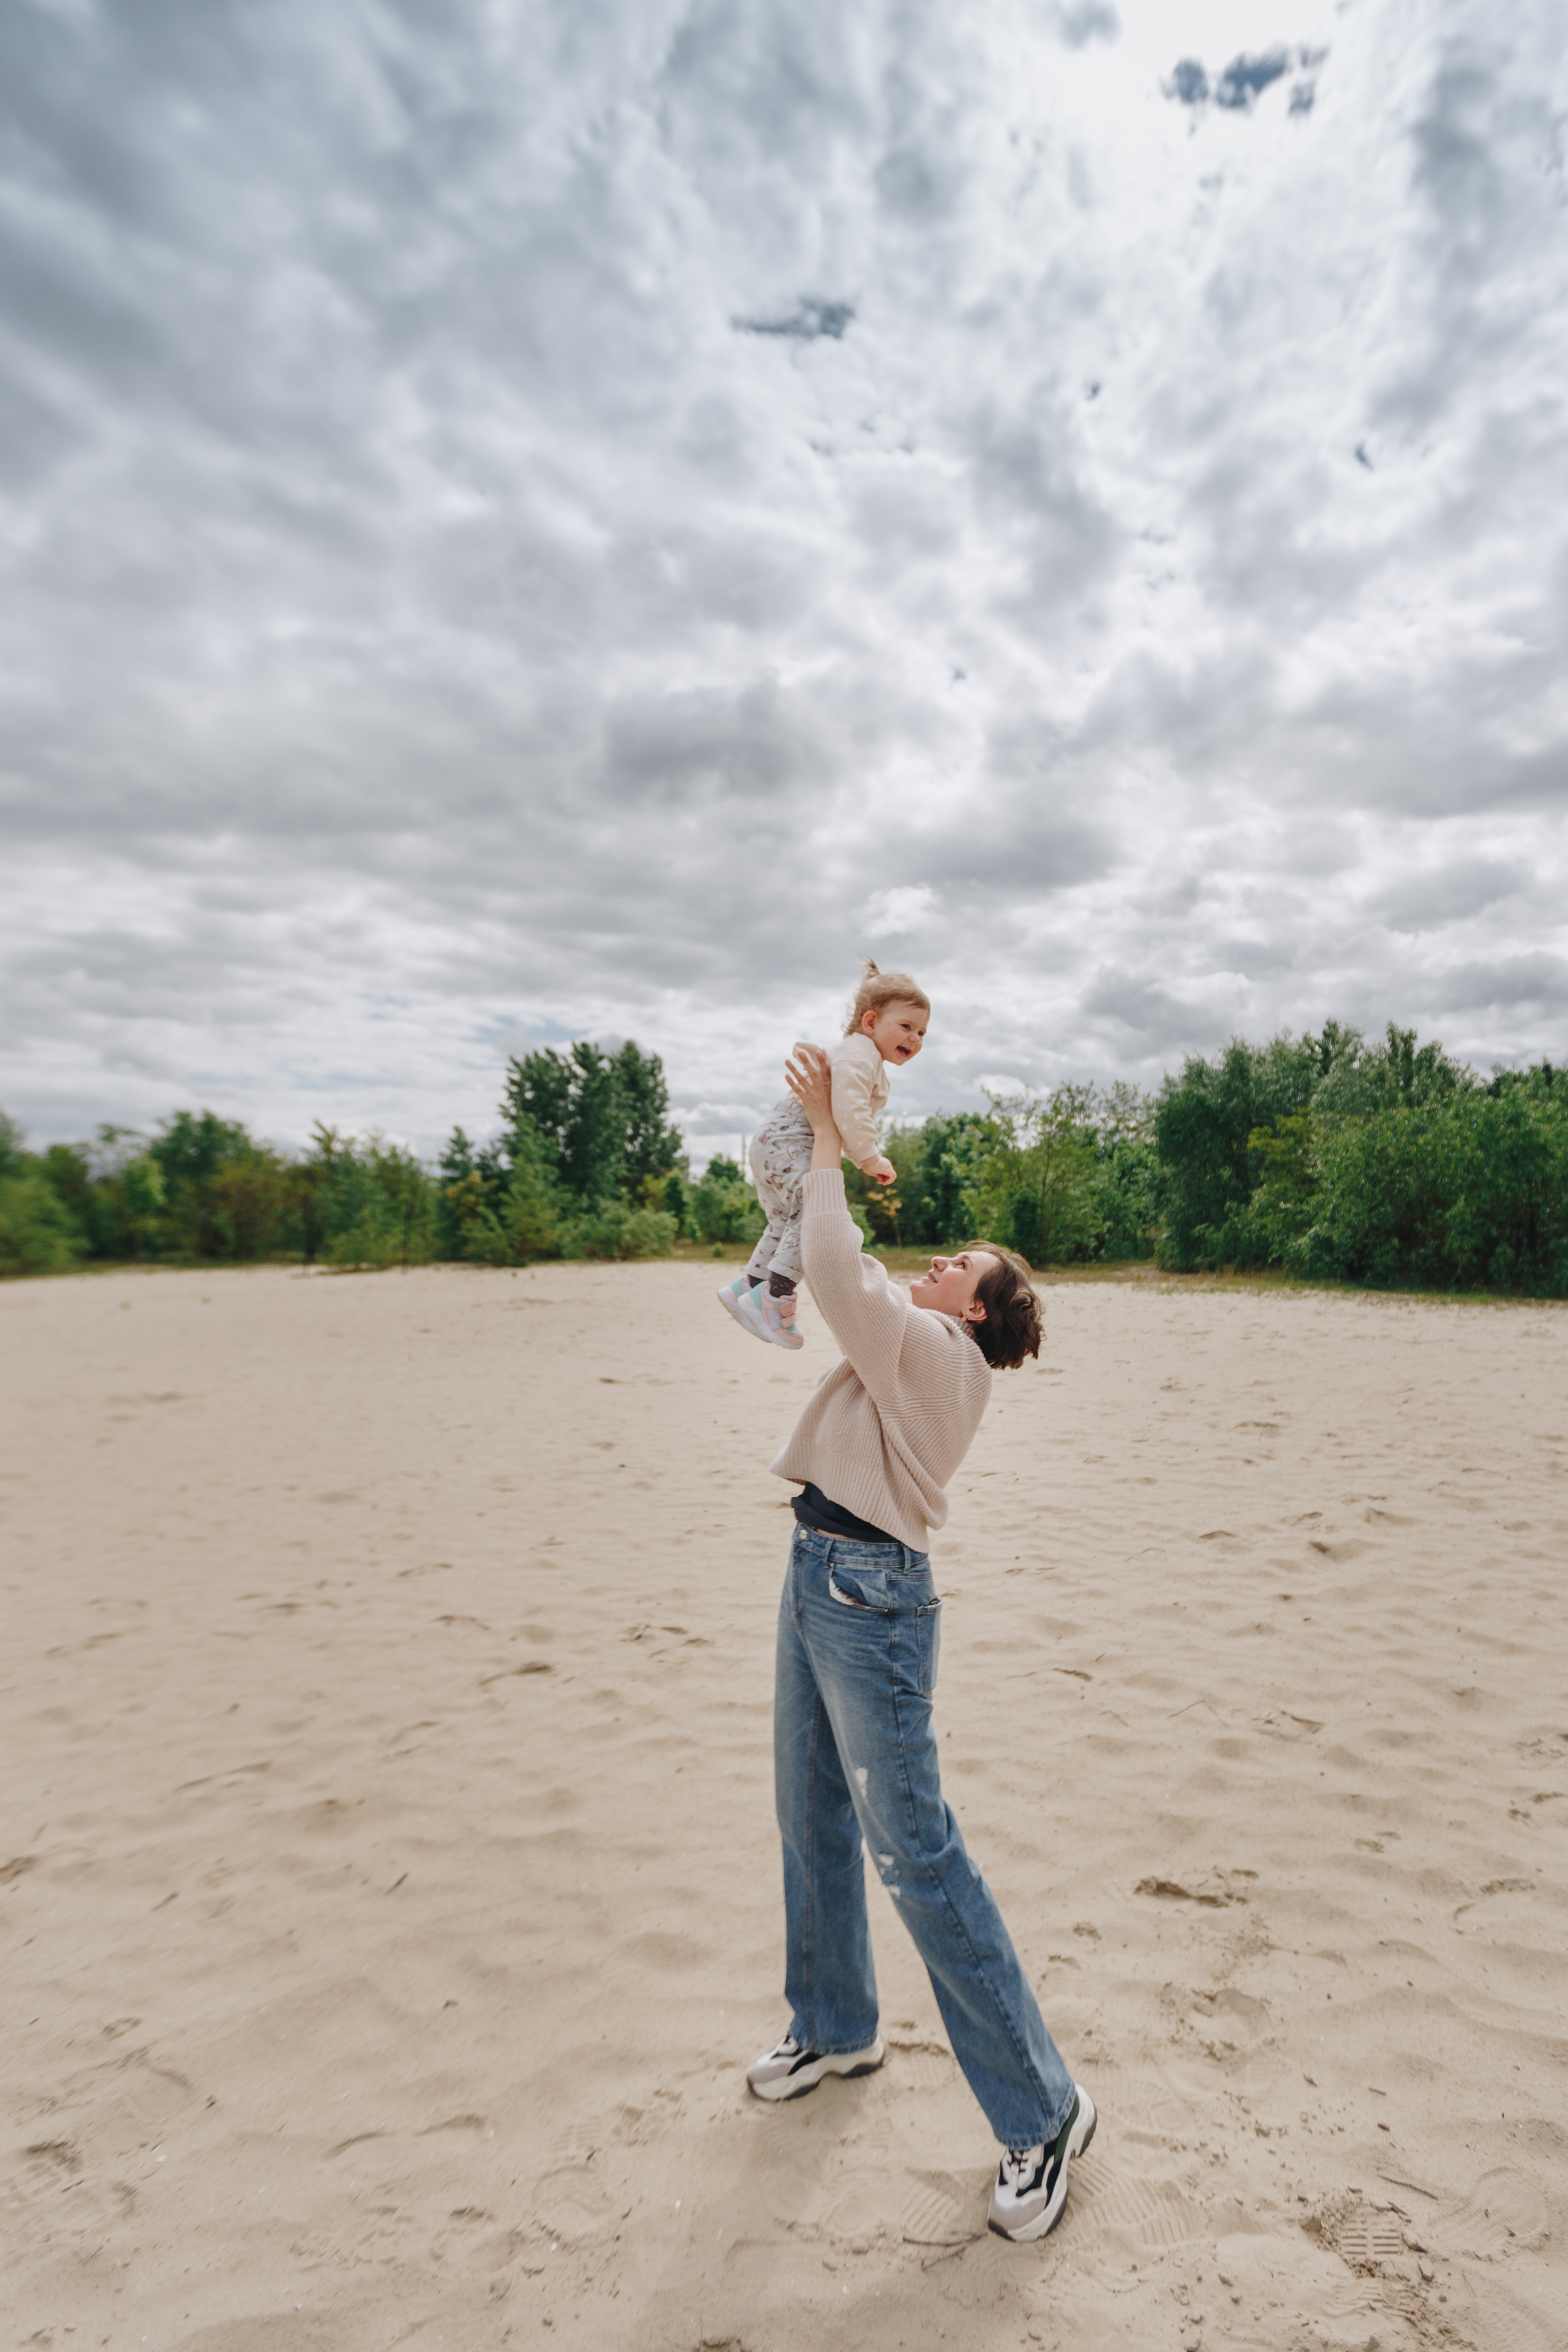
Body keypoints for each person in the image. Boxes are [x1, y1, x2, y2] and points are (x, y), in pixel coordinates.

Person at [744, 1042, 1096, 2245]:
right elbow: (827, 1262)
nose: (942, 1262)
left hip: (870, 1599)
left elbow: (836, 1268)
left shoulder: (938, 1355)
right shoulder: (912, 1341)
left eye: (962, 1269)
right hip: (819, 1567)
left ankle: (1043, 2111)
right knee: (809, 1811)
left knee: (918, 1854)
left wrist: (828, 1134)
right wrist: (816, 1140)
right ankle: (836, 2026)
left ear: (976, 1312)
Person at [718, 962, 929, 1351]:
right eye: (906, 1026)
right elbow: (850, 1110)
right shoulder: (861, 1055)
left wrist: (858, 1155)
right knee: (814, 1214)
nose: (915, 1039)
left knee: (785, 1220)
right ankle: (775, 1298)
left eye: (921, 1033)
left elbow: (841, 1118)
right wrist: (871, 1158)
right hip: (791, 1141)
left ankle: (749, 1288)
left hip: (772, 1142)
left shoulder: (859, 1056)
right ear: (870, 1021)